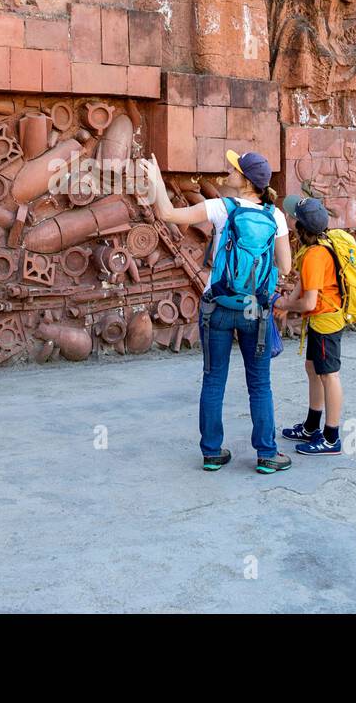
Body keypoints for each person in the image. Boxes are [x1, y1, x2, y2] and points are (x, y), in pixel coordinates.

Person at [138, 150, 293, 473]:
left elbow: (168, 214)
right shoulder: (275, 216)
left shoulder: (223, 208)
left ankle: (212, 452)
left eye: (235, 169)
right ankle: (266, 454)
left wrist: (155, 181)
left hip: (217, 304)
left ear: (246, 180)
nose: (229, 172)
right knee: (260, 384)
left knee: (213, 378)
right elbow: (287, 266)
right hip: (254, 308)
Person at [273, 195, 344, 455]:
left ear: (303, 229)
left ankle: (331, 437)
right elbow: (302, 287)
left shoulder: (315, 255)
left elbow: (309, 302)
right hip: (319, 319)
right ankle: (312, 426)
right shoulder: (318, 247)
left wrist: (286, 305)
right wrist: (287, 303)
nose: (291, 223)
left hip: (325, 320)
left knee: (329, 374)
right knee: (313, 368)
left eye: (294, 220)